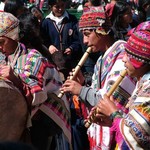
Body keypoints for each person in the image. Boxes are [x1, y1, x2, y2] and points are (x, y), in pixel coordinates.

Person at [61, 6, 136, 150]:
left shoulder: (122, 56)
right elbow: (98, 93)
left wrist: (81, 90)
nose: (84, 41)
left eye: (88, 34)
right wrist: (83, 84)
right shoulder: (102, 59)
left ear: (101, 31)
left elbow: (111, 100)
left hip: (119, 136)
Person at [0, 11, 71, 150]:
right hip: (30, 120)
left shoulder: (33, 58)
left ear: (13, 36)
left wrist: (15, 79)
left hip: (46, 121)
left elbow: (38, 96)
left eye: (1, 42)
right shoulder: (7, 57)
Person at [93, 21, 150, 149]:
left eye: (129, 55)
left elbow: (139, 138)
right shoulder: (142, 82)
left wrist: (114, 114)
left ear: (140, 61)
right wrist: (110, 120)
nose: (123, 59)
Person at [41, 0, 82, 80]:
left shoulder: (72, 20)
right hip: (53, 63)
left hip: (70, 62)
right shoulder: (45, 23)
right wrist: (49, 46)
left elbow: (78, 40)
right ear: (51, 7)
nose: (60, 9)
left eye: (62, 6)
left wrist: (72, 48)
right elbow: (42, 40)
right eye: (57, 7)